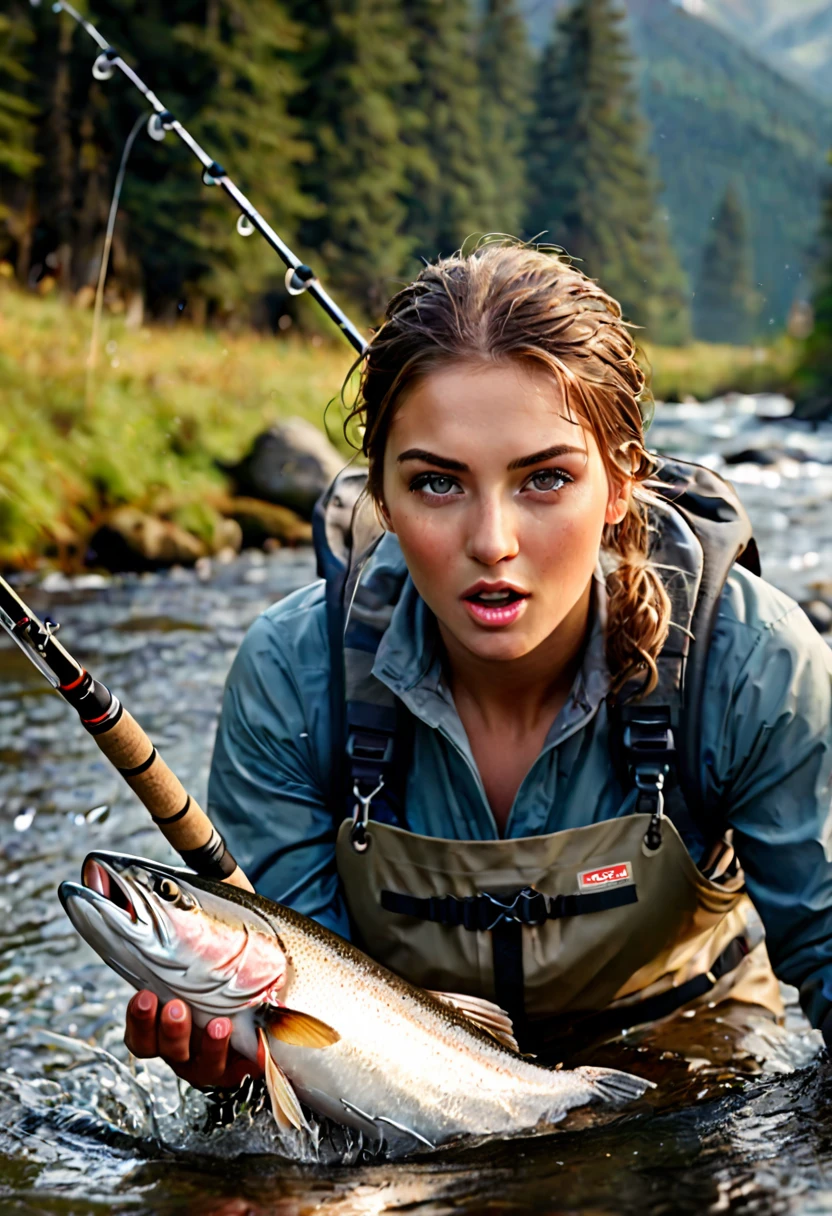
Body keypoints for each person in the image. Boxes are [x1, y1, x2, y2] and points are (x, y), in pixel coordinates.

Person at [123, 241, 832, 1089]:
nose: (492, 542)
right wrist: (249, 1065)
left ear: (620, 485)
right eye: (438, 485)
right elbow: (310, 1035)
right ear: (381, 496)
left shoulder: (748, 663)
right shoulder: (294, 678)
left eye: (544, 480)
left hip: (694, 1057)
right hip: (408, 1080)